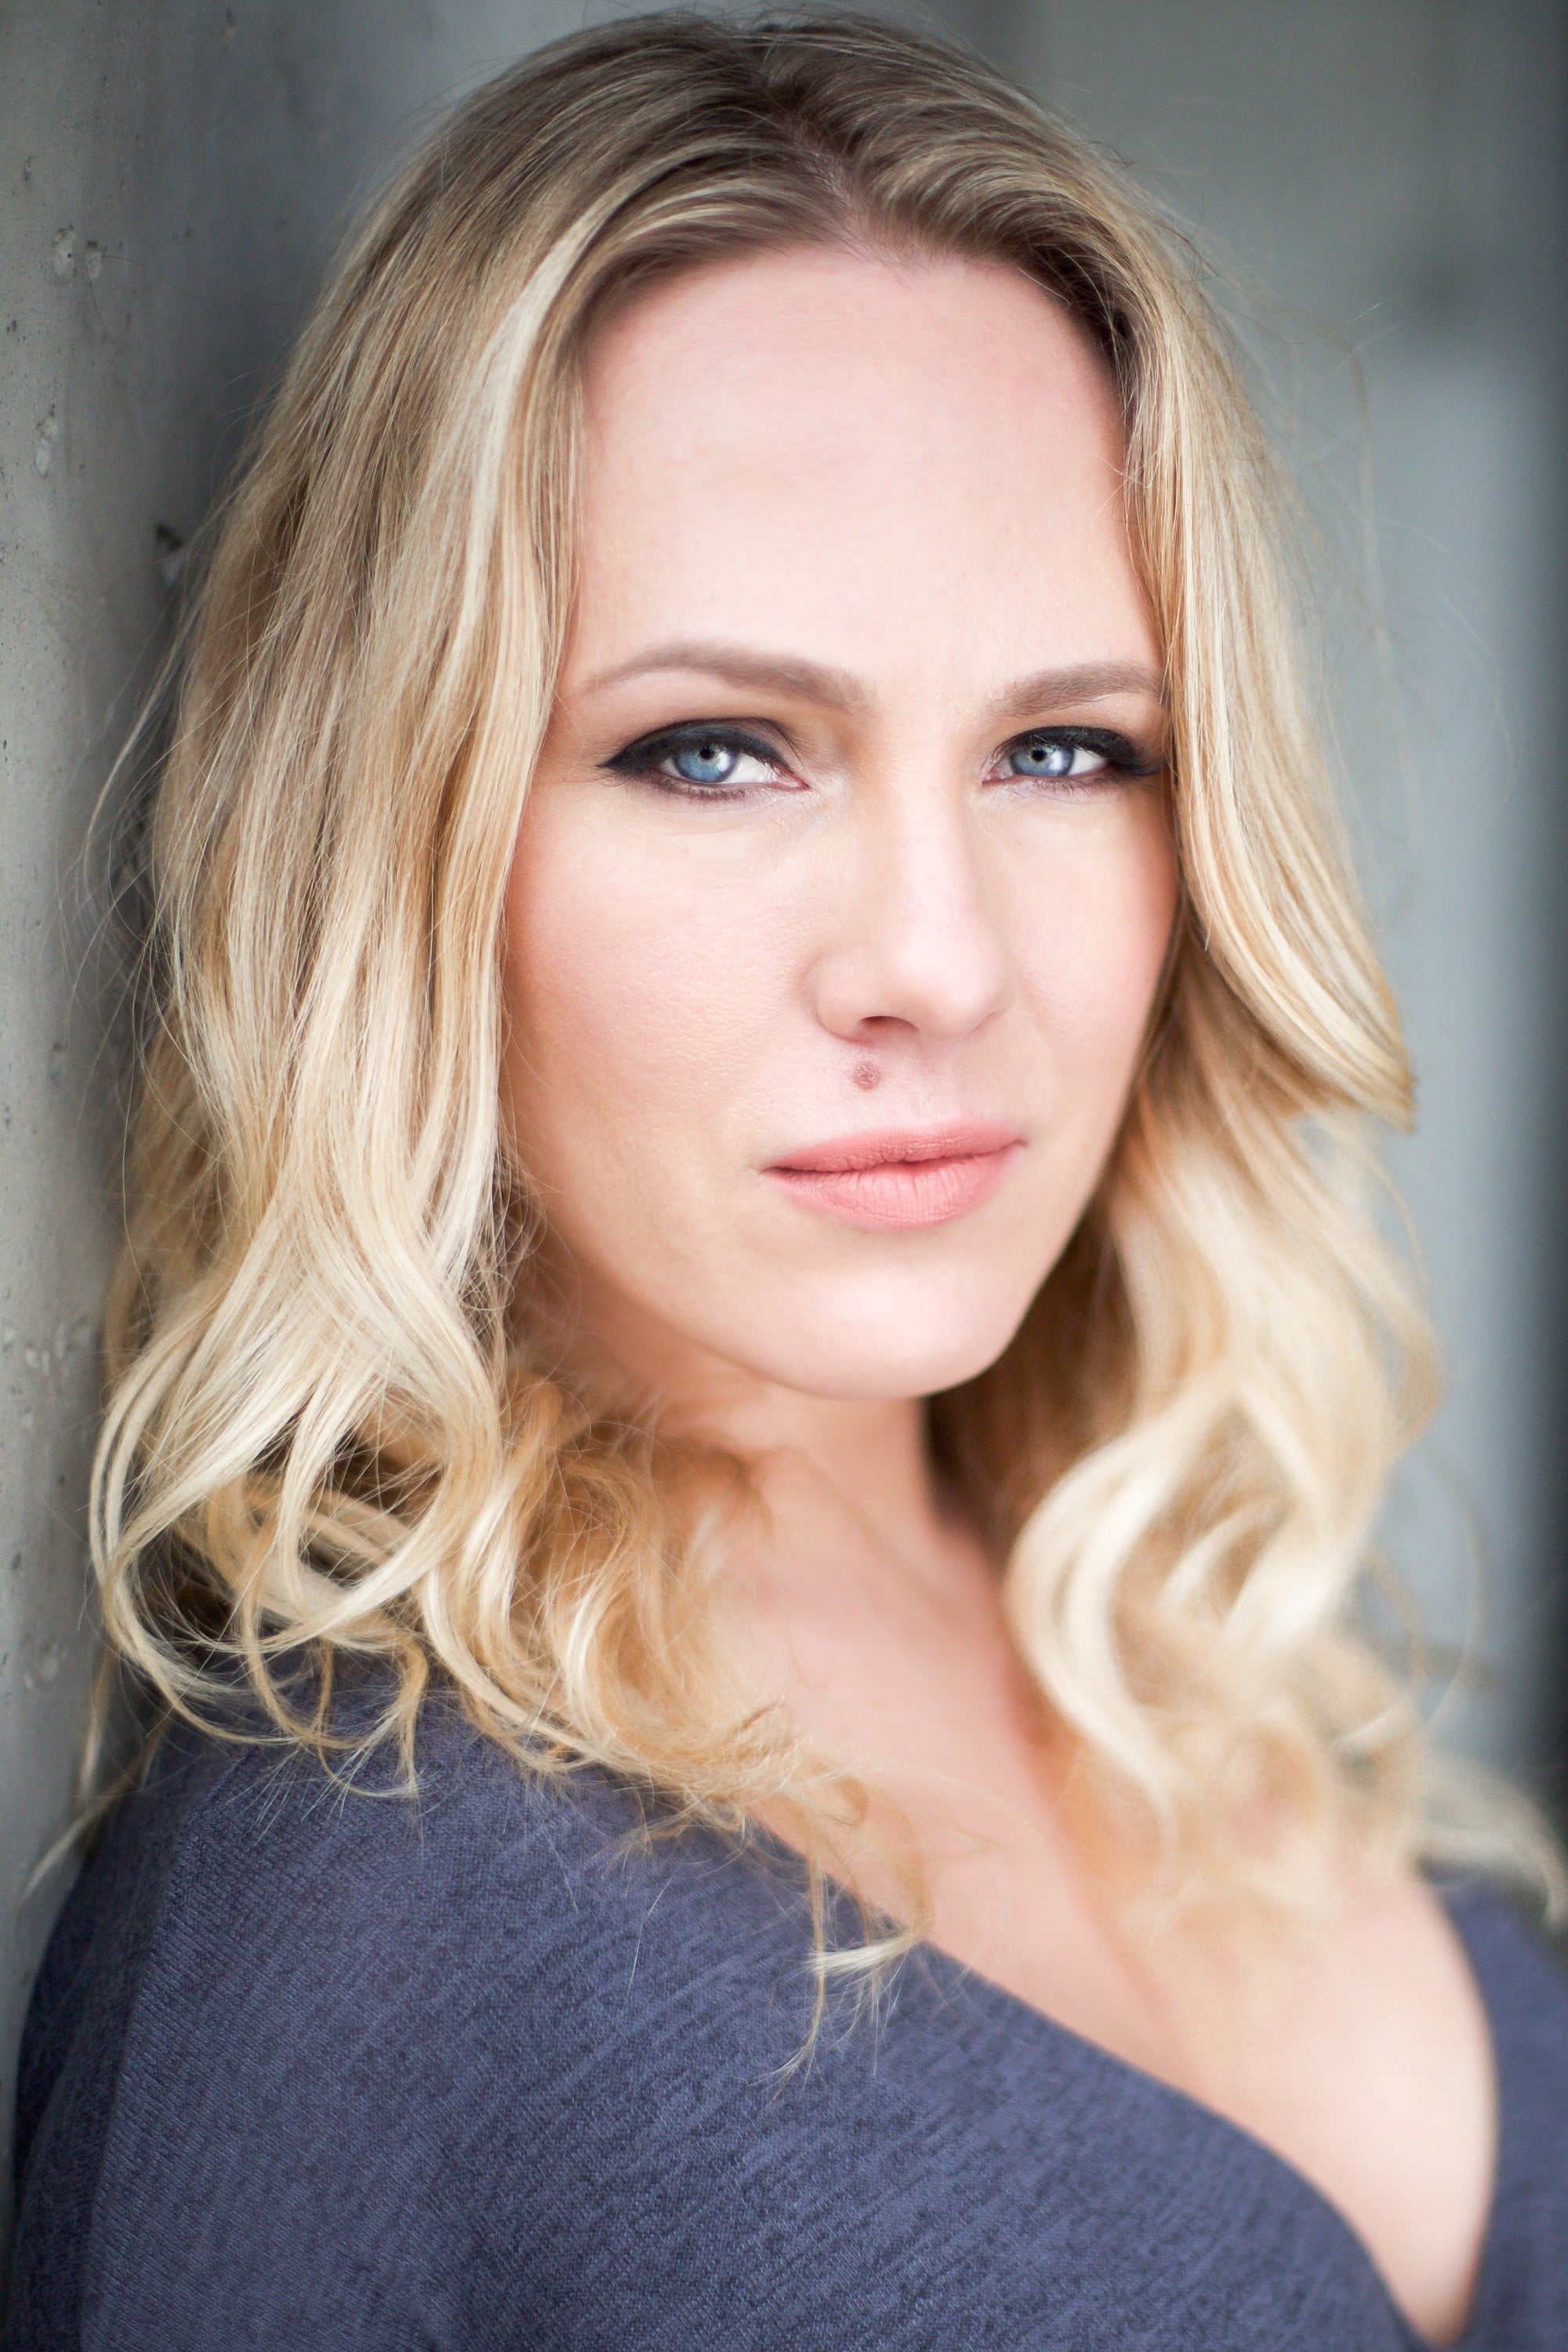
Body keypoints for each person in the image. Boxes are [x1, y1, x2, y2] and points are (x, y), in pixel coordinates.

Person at [8, 13, 1568, 2347]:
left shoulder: (1178, 1633)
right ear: (399, 838)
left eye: (1069, 750)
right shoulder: (353, 1925)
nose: (939, 960)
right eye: (717, 751)